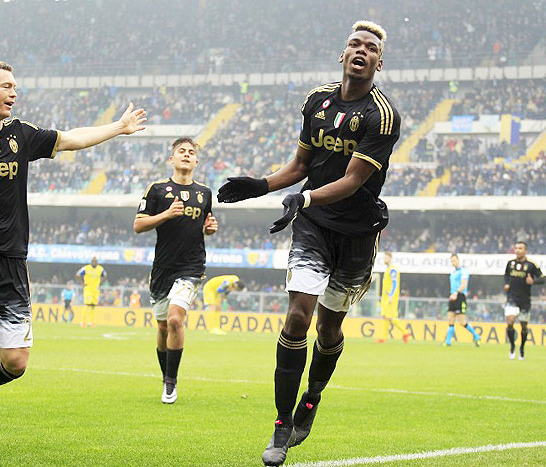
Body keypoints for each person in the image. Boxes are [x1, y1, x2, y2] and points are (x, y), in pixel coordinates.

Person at [0, 60, 146, 459]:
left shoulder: (23, 136)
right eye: (7, 86)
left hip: (10, 263)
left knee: (15, 363)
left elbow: (73, 140)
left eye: (15, 86)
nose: (14, 93)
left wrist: (118, 128)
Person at [218, 21, 400, 466]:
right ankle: (282, 423)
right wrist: (260, 185)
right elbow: (302, 162)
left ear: (379, 61)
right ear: (343, 55)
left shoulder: (383, 115)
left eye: (370, 48)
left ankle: (312, 397)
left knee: (330, 327)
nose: (361, 50)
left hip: (356, 234)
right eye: (354, 44)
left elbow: (355, 180)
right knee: (298, 314)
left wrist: (303, 196)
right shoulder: (316, 101)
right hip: (314, 225)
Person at [133, 138, 217, 404]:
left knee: (175, 320)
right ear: (172, 159)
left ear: (196, 162)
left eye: (191, 152)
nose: (186, 155)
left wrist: (209, 228)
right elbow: (138, 225)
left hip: (191, 266)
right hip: (162, 268)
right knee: (161, 328)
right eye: (181, 151)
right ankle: (165, 375)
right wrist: (166, 215)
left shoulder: (204, 193)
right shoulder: (157, 190)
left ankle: (171, 382)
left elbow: (205, 224)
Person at [503, 241, 544, 360]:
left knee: (524, 326)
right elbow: (506, 275)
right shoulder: (510, 264)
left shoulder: (532, 265)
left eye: (520, 248)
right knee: (510, 322)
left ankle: (522, 348)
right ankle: (512, 346)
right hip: (512, 297)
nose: (518, 250)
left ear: (525, 250)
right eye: (516, 248)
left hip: (525, 300)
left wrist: (533, 282)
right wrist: (506, 284)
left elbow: (542, 279)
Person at [443, 254, 481, 347]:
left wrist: (456, 293)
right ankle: (448, 341)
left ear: (458, 260)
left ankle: (476, 336)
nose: (453, 263)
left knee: (462, 322)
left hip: (459, 296)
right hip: (453, 296)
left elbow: (463, 284)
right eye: (452, 261)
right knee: (450, 319)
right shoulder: (453, 272)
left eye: (454, 260)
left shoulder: (463, 271)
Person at [376, 251, 410, 343]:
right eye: (384, 258)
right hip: (386, 297)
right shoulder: (388, 269)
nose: (384, 260)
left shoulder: (393, 269)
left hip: (390, 297)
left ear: (390, 258)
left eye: (386, 258)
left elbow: (395, 283)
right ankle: (384, 338)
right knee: (385, 316)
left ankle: (405, 332)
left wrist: (391, 295)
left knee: (391, 317)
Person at [76, 257, 106, 328]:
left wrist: (100, 283)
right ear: (91, 262)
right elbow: (77, 274)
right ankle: (83, 322)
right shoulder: (86, 268)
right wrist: (82, 284)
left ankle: (91, 322)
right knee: (87, 304)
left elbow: (105, 275)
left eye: (96, 261)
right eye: (93, 261)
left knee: (93, 306)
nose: (94, 263)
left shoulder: (100, 269)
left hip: (95, 290)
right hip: (88, 289)